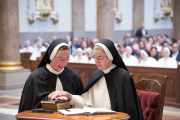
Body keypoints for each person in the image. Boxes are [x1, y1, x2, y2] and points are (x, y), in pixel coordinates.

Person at [51, 39, 144, 120]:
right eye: (94, 57)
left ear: (110, 57)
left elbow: (130, 109)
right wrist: (69, 96)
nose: (96, 61)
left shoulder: (123, 76)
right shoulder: (96, 75)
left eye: (100, 58)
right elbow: (86, 102)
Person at [18, 39, 84, 113]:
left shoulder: (74, 76)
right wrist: (48, 98)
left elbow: (84, 102)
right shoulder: (35, 77)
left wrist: (70, 97)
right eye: (60, 59)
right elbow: (28, 106)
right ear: (51, 56)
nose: (63, 63)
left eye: (67, 59)